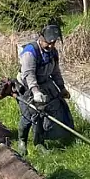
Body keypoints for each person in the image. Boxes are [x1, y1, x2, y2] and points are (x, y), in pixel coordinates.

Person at [16, 24, 73, 152]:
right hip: (26, 87)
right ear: (41, 39)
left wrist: (61, 88)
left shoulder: (53, 53)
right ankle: (22, 140)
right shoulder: (30, 53)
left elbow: (55, 72)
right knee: (28, 115)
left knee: (42, 114)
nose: (51, 46)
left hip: (44, 84)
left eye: (54, 43)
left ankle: (39, 142)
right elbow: (29, 75)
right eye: (49, 43)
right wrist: (35, 92)